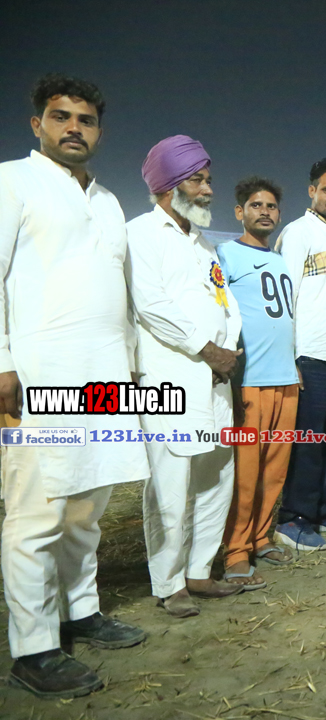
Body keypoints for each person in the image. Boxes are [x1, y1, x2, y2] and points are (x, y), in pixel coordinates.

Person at [0, 74, 149, 698]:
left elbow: (122, 292)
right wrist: (2, 362)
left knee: (88, 505)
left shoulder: (109, 201)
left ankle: (80, 611)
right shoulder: (12, 181)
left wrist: (132, 366)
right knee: (37, 512)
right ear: (37, 124)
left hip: (106, 376)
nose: (73, 128)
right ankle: (33, 649)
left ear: (99, 132)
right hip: (39, 375)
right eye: (60, 117)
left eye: (85, 120)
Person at [128, 135, 243, 616]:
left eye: (208, 180)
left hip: (215, 379)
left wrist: (227, 349)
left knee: (218, 476)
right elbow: (151, 305)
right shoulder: (139, 233)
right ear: (168, 186)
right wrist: (208, 350)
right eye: (197, 180)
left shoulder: (203, 243)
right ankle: (168, 582)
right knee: (170, 484)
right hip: (169, 379)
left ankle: (200, 571)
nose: (208, 190)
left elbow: (225, 301)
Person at [217, 177, 300, 589]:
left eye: (271, 206)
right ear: (240, 212)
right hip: (250, 380)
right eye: (256, 205)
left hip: (286, 378)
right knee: (245, 473)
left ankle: (260, 537)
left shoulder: (281, 259)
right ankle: (235, 551)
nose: (264, 211)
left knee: (274, 471)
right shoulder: (225, 255)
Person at [274, 159, 326, 550]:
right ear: (312, 191)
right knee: (307, 443)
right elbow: (285, 296)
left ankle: (323, 511)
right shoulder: (297, 233)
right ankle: (294, 519)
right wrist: (289, 356)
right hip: (310, 355)